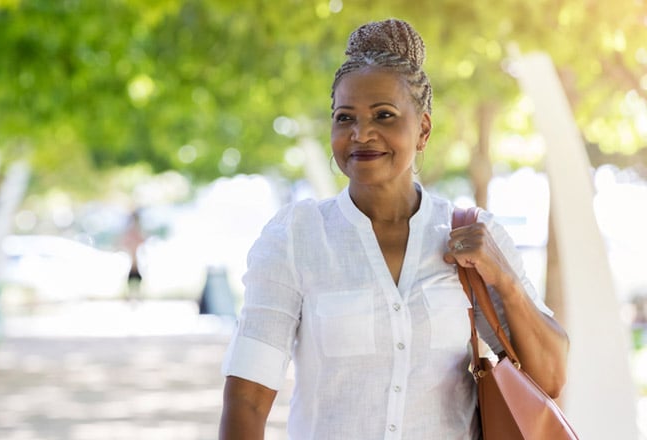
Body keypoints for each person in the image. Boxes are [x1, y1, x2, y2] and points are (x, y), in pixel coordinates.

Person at [219, 18, 569, 439]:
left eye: (383, 115)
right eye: (344, 117)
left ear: (422, 129)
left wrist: (506, 282)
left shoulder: (473, 236)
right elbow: (247, 398)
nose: (361, 133)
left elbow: (549, 377)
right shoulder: (297, 236)